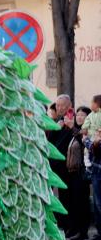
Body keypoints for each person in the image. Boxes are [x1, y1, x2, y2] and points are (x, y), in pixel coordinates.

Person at [46, 94, 73, 231]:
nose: (59, 108)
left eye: (62, 105)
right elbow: (48, 141)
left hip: (65, 165)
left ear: (69, 106)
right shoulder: (57, 121)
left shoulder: (71, 121)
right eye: (57, 105)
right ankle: (51, 221)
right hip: (52, 163)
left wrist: (70, 126)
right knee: (48, 193)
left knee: (65, 196)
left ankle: (67, 225)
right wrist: (55, 127)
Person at [66, 106, 92, 240]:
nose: (79, 117)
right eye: (78, 115)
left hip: (82, 173)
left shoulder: (85, 132)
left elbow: (83, 143)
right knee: (74, 202)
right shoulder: (76, 132)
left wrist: (72, 127)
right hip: (73, 172)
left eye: (82, 115)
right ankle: (75, 229)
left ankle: (83, 231)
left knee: (82, 203)